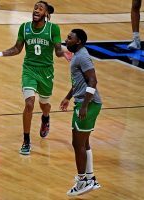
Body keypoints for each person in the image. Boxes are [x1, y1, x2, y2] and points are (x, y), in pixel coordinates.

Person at [0, 1, 71, 155]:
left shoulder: (53, 29)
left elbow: (57, 50)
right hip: (29, 70)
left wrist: (63, 52)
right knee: (29, 104)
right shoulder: (24, 27)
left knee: (44, 104)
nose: (36, 10)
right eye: (35, 8)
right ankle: (26, 141)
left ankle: (45, 117)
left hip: (46, 72)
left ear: (46, 14)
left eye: (40, 9)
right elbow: (17, 48)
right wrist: (0, 53)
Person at [60, 29, 102, 196]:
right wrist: (68, 97)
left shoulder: (82, 57)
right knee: (84, 143)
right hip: (83, 102)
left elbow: (93, 80)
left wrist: (84, 105)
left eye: (70, 38)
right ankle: (90, 178)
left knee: (78, 144)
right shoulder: (79, 55)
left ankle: (82, 180)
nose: (66, 40)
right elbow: (79, 81)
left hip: (88, 104)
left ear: (78, 41)